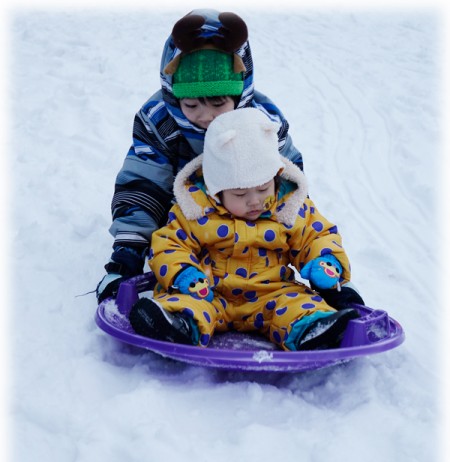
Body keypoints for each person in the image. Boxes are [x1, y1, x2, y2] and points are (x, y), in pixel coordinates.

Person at [96, 8, 364, 310]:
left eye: (218, 102)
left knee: (284, 207)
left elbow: (287, 182)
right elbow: (144, 180)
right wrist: (128, 251)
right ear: (173, 94)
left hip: (254, 209)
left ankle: (328, 278)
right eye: (192, 104)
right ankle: (175, 283)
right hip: (186, 216)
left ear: (239, 93)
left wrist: (307, 242)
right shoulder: (159, 120)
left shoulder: (262, 121)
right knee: (153, 207)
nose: (205, 116)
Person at [129, 108, 360, 351]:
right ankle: (178, 325)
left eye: (263, 189)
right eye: (240, 194)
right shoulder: (196, 208)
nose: (254, 201)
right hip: (210, 291)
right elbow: (169, 243)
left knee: (299, 305)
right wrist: (184, 273)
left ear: (276, 177)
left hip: (273, 293)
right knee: (189, 305)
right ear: (216, 190)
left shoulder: (288, 206)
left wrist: (326, 261)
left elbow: (316, 235)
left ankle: (313, 330)